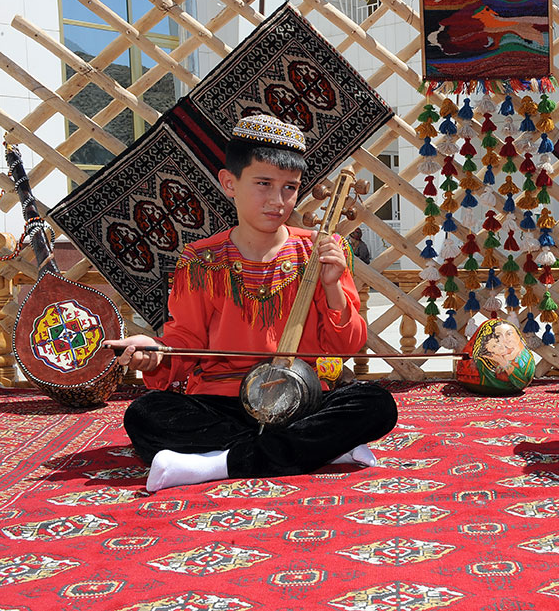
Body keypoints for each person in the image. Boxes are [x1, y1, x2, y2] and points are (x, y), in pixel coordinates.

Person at [106, 115, 397, 493]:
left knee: (375, 404)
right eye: (263, 184)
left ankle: (215, 463)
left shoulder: (323, 250)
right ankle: (313, 449)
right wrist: (154, 354)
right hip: (223, 401)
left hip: (302, 399)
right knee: (144, 416)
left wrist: (331, 287)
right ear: (230, 183)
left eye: (289, 188)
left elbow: (347, 345)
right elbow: (185, 342)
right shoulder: (199, 259)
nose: (278, 201)